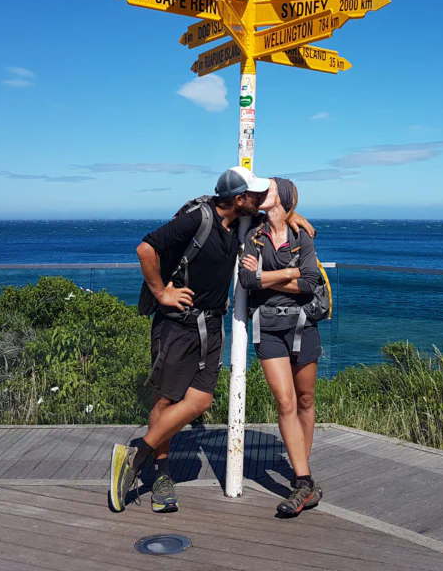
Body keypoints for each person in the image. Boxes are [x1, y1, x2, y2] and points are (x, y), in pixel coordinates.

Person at [110, 166, 313, 514]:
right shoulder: (198, 218)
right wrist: (162, 293)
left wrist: (295, 215)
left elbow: (271, 217)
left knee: (200, 401)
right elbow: (146, 249)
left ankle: (136, 454)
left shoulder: (239, 224)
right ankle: (160, 474)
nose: (259, 199)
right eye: (254, 195)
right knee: (165, 399)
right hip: (177, 323)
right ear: (238, 199)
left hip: (212, 325)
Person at [238, 178, 324, 516]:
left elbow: (310, 282)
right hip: (269, 329)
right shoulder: (254, 235)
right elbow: (247, 281)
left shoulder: (301, 234)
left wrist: (265, 277)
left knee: (305, 400)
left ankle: (299, 472)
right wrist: (287, 273)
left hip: (303, 325)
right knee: (285, 401)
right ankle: (305, 481)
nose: (261, 193)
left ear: (284, 198)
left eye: (269, 189)